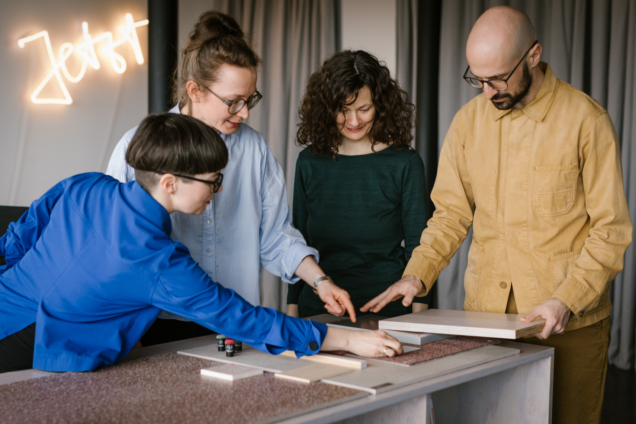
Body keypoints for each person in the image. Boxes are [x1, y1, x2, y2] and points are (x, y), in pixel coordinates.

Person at [364, 6, 632, 424]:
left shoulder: (586, 120)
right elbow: (451, 214)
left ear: (533, 55)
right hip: (485, 318)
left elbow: (611, 231)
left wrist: (567, 299)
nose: (487, 91)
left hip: (570, 324)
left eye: (497, 79)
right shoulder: (467, 123)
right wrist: (418, 273)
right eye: (477, 79)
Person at [0, 114, 402, 373]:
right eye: (213, 181)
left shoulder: (83, 185)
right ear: (170, 183)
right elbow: (241, 318)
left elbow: (15, 241)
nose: (218, 191)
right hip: (32, 358)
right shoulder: (158, 262)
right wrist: (349, 339)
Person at [107, 11, 357, 345]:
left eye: (250, 99)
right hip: (157, 323)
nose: (245, 113)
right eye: (233, 102)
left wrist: (321, 281)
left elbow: (277, 237)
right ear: (195, 90)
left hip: (237, 321)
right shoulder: (135, 146)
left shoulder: (254, 150)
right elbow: (120, 245)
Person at [286, 50, 431, 319]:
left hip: (391, 310)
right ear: (327, 109)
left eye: (364, 109)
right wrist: (292, 308)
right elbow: (298, 241)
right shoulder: (308, 162)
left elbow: (419, 246)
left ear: (381, 105)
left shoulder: (405, 162)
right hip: (320, 310)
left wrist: (420, 317)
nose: (354, 122)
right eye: (343, 111)